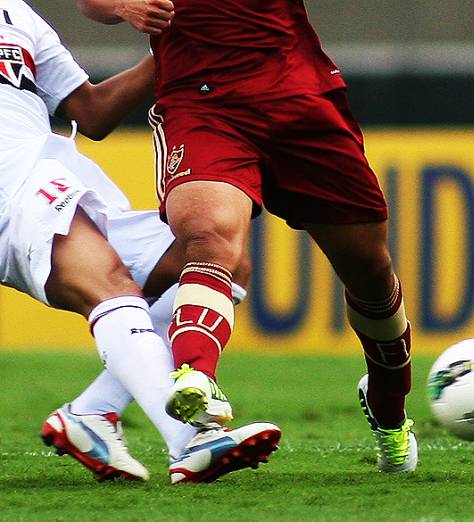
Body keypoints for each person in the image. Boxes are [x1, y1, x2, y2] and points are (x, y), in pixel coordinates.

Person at [77, 0, 417, 472]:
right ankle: (195, 377)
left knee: (370, 271)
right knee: (208, 236)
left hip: (296, 94)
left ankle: (389, 410)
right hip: (202, 103)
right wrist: (122, 5)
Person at [0, 0, 279, 483]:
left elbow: (92, 111)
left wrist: (181, 45)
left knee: (219, 265)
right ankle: (192, 440)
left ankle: (92, 412)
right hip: (9, 188)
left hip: (39, 178)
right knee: (111, 288)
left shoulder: (15, 15)